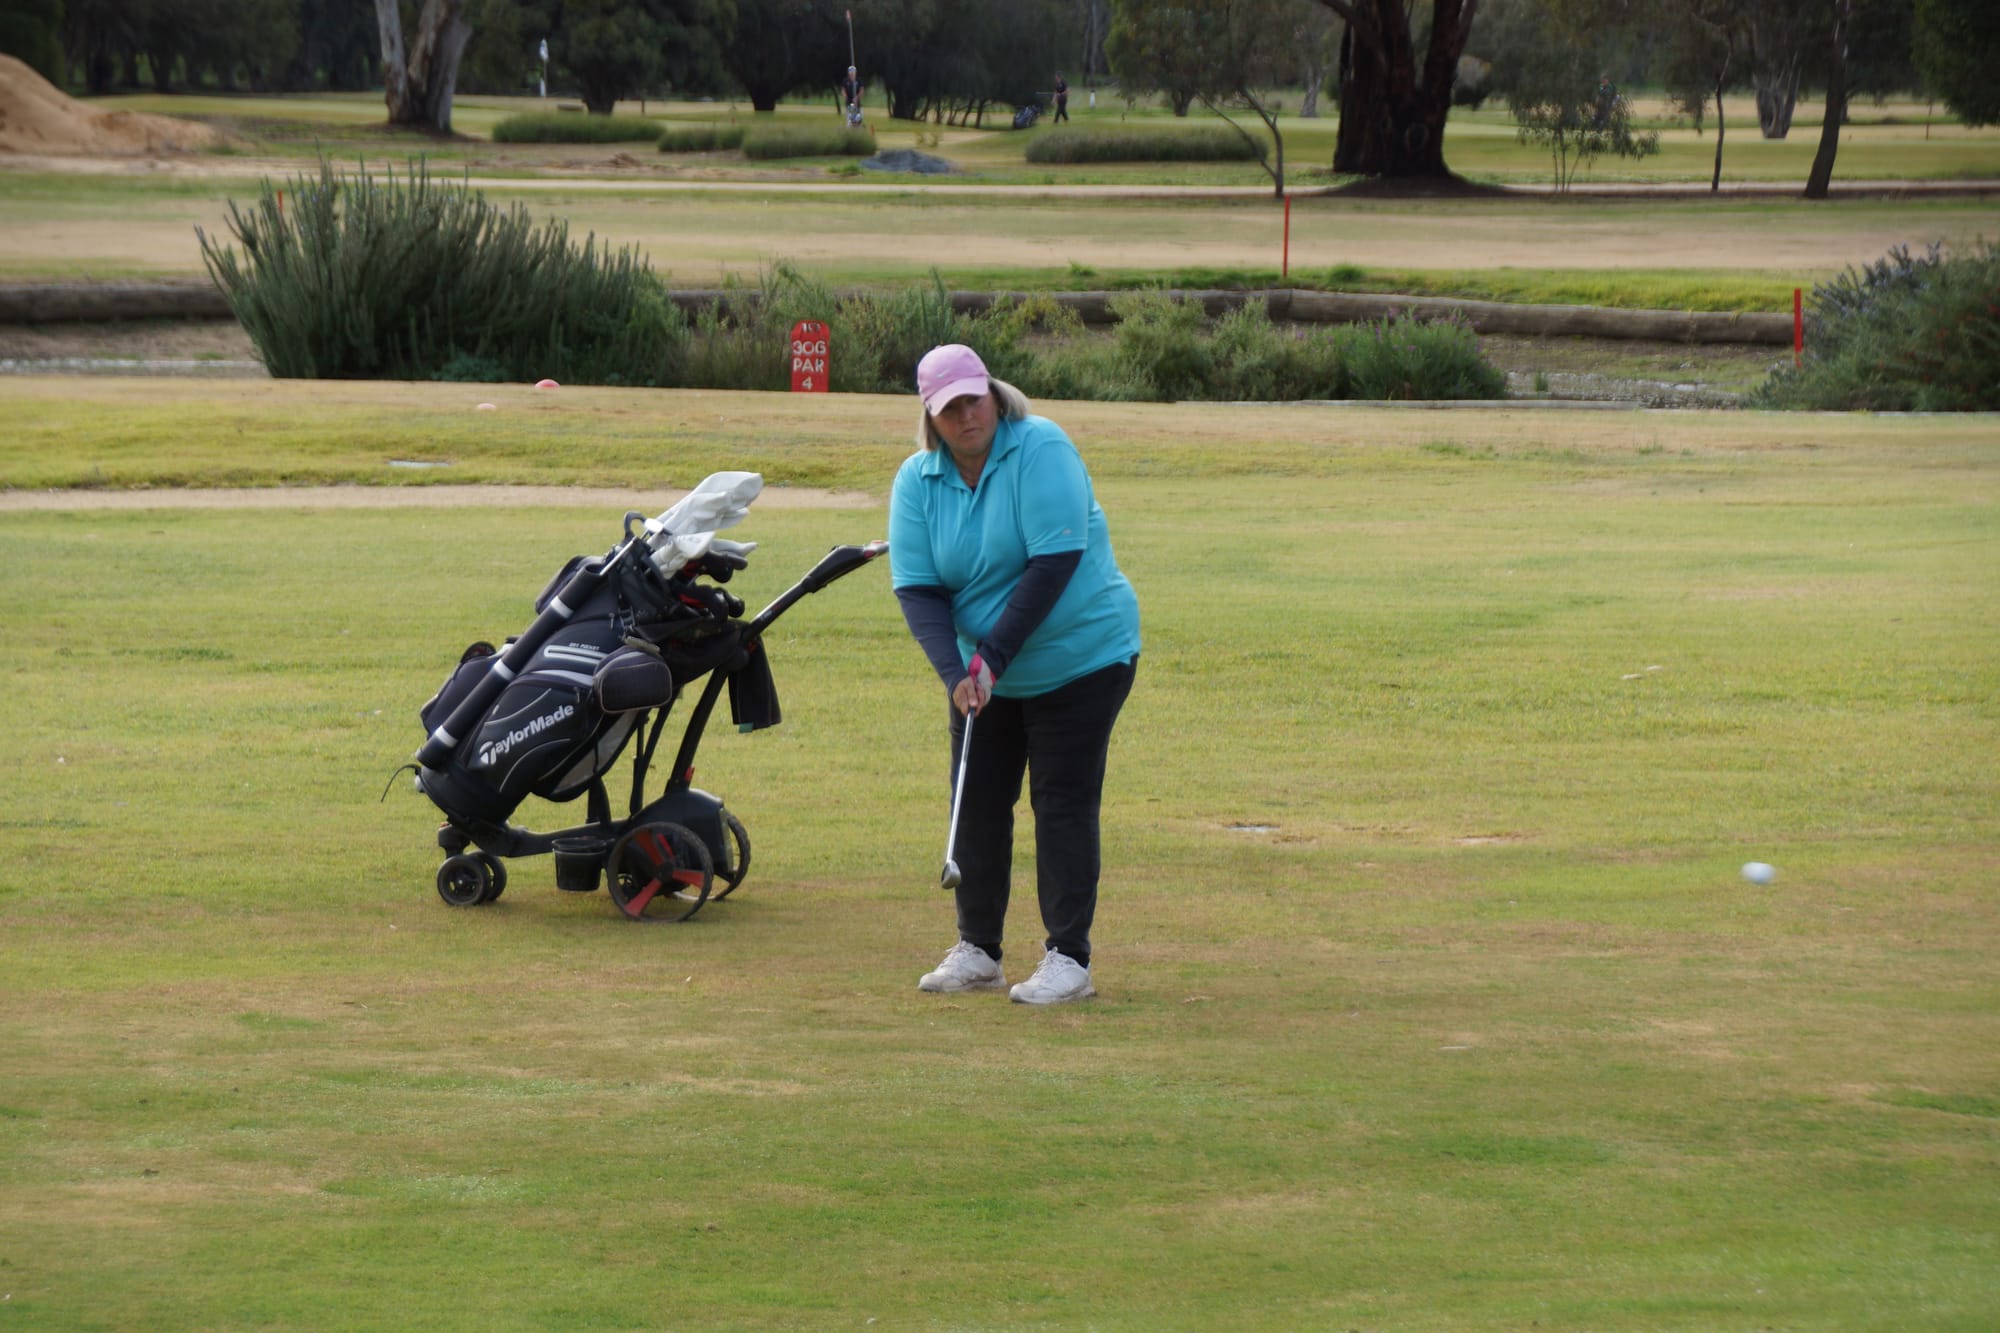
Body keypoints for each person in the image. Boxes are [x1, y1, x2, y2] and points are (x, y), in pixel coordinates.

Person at [889, 344, 1141, 1005]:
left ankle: (1068, 958)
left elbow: (1054, 561)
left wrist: (993, 657)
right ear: (931, 418)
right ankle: (978, 948)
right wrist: (955, 672)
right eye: (951, 408)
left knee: (1060, 801)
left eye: (975, 399)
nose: (967, 416)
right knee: (975, 799)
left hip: (1082, 654)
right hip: (982, 667)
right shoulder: (918, 482)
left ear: (994, 395)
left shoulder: (1041, 448)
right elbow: (917, 587)